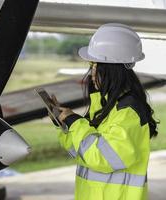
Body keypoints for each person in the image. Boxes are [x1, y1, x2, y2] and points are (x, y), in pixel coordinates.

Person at [54, 23, 158, 200]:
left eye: (95, 66)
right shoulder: (106, 106)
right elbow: (81, 151)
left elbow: (102, 158)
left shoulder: (128, 112)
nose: (92, 73)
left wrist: (75, 122)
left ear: (111, 70)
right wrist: (64, 124)